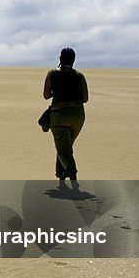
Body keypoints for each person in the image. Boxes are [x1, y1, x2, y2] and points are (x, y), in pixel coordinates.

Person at [43, 47, 88, 186]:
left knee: (63, 148)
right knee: (65, 147)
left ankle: (73, 176)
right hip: (77, 116)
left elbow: (46, 95)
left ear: (60, 58)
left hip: (59, 115)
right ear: (73, 60)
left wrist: (56, 93)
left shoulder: (52, 74)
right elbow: (85, 98)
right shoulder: (79, 76)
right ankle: (61, 179)